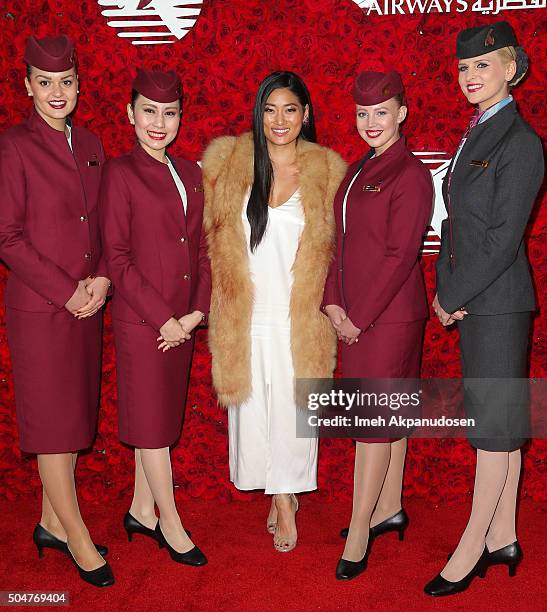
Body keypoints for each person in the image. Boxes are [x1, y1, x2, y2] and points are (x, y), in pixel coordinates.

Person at [202, 71, 346, 552]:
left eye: (290, 109)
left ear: (306, 114)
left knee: (291, 411)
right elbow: (208, 242)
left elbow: (342, 250)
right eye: (270, 109)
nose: (280, 119)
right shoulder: (228, 164)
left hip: (297, 315)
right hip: (245, 314)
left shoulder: (327, 172)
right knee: (253, 413)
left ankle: (285, 499)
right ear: (258, 114)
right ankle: (271, 485)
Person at [426, 21, 544, 597]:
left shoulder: (521, 142)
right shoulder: (475, 135)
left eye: (483, 66)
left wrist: (452, 295)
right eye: (464, 68)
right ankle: (505, 537)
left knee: (493, 430)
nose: (470, 76)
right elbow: (456, 229)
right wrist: (448, 284)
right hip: (479, 301)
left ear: (511, 69)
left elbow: (502, 240)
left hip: (497, 305)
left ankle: (471, 546)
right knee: (499, 423)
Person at [0, 35, 113, 587]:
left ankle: (49, 521)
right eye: (45, 83)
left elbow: (104, 224)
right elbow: (8, 237)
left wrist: (102, 281)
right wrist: (68, 291)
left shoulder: (91, 142)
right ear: (27, 86)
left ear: (77, 85)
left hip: (88, 303)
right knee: (51, 426)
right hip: (43, 308)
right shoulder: (12, 146)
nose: (56, 92)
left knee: (72, 420)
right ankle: (76, 535)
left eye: (65, 82)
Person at [323, 70, 433, 580]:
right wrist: (332, 302)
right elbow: (339, 245)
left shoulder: (409, 173)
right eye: (363, 113)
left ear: (402, 113)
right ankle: (389, 506)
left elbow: (400, 254)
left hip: (388, 318)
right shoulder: (359, 168)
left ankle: (361, 526)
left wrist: (359, 318)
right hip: (357, 316)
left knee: (373, 421)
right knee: (382, 417)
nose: (371, 122)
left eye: (381, 112)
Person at [100, 69, 210, 567]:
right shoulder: (119, 173)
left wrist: (195, 314)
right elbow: (117, 257)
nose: (159, 123)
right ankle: (171, 522)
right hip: (145, 323)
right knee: (151, 426)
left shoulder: (191, 173)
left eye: (169, 113)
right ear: (130, 115)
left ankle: (141, 509)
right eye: (149, 111)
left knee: (160, 422)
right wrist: (165, 319)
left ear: (180, 117)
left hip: (182, 322)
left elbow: (205, 250)